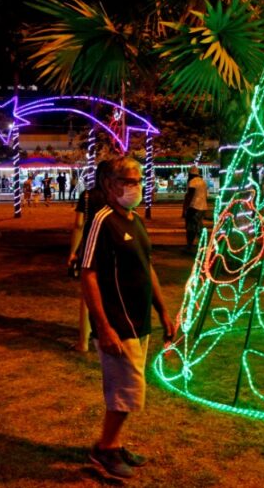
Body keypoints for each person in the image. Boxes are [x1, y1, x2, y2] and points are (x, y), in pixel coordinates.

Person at [80, 156, 176, 480]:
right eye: (128, 181)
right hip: (118, 323)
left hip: (140, 320)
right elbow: (88, 274)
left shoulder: (134, 220)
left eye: (138, 180)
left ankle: (113, 444)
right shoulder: (102, 221)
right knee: (127, 390)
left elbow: (147, 267)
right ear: (110, 184)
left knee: (129, 390)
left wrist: (163, 310)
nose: (134, 187)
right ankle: (104, 450)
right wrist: (103, 327)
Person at [66, 160, 112, 352]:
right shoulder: (116, 196)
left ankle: (83, 342)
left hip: (90, 250)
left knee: (87, 296)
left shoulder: (86, 196)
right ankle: (108, 333)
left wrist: (72, 252)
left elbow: (78, 225)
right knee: (110, 295)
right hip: (112, 249)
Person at [182, 166, 209, 252]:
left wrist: (185, 208)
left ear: (190, 174)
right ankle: (205, 244)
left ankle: (189, 246)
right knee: (198, 226)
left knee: (190, 228)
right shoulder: (203, 182)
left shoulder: (192, 182)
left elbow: (190, 196)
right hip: (203, 207)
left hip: (194, 207)